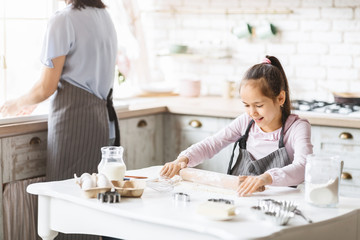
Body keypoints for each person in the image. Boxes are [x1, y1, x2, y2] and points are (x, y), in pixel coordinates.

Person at [0, 0, 118, 239]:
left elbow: (46, 86)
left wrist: (16, 102)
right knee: (90, 206)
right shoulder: (104, 16)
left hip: (74, 120)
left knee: (66, 208)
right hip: (101, 119)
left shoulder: (63, 19)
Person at [160, 56, 313, 197]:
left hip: (278, 203)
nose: (252, 112)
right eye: (246, 105)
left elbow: (303, 166)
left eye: (258, 105)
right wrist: (183, 159)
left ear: (280, 98)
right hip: (240, 199)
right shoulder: (246, 122)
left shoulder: (296, 128)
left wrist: (267, 178)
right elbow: (212, 144)